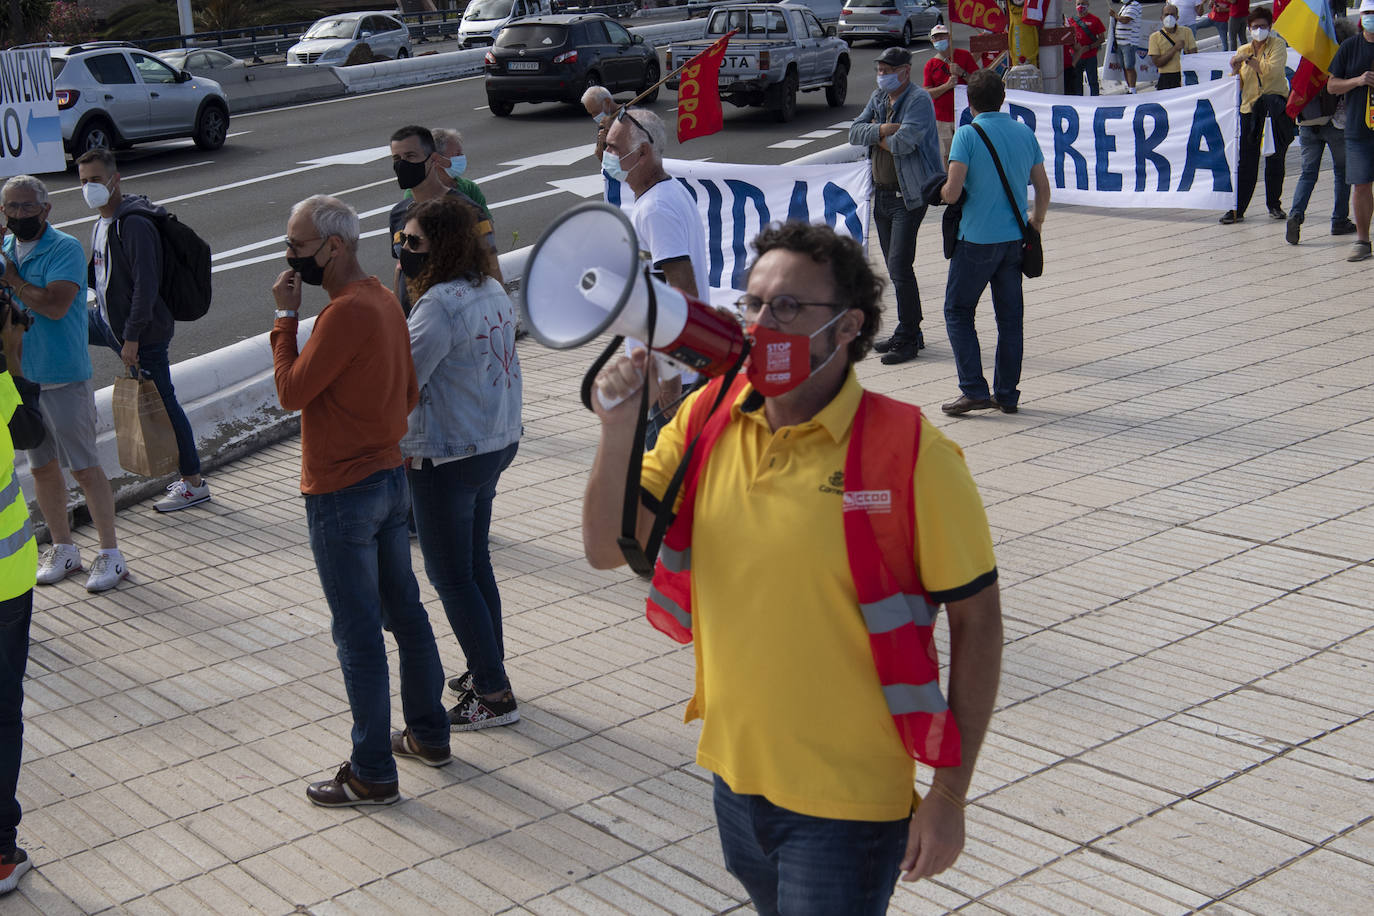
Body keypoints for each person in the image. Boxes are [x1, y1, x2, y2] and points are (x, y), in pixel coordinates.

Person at [582, 220, 1003, 916]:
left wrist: (949, 797)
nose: (759, 325)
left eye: (787, 308)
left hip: (847, 807)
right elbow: (606, 549)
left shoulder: (912, 453)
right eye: (752, 303)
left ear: (847, 328)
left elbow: (979, 623)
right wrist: (618, 424)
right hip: (733, 781)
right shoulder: (705, 418)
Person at [270, 195, 452, 806]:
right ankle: (429, 733)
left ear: (333, 247)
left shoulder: (343, 314)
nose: (291, 259)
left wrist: (284, 319)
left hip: (341, 493)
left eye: (297, 248)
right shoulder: (383, 301)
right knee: (406, 613)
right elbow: (405, 394)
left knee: (358, 636)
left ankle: (372, 769)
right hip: (387, 481)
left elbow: (292, 392)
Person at [396, 196, 524, 732]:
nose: (402, 251)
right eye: (400, 241)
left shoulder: (439, 305)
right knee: (474, 566)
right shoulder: (489, 286)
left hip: (449, 454)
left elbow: (403, 382)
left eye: (414, 242)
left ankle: (493, 694)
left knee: (450, 575)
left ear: (442, 245)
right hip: (493, 442)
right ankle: (486, 670)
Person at [0, 176, 127, 593]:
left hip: (63, 376)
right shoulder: (5, 249)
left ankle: (110, 554)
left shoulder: (65, 248)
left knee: (85, 467)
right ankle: (63, 546)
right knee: (42, 468)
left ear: (46, 209)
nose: (18, 215)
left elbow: (54, 306)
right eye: (10, 207)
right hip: (24, 377)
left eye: (25, 207)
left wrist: (14, 281)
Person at [75, 149, 209, 518]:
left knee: (165, 402)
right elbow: (101, 277)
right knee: (65, 324)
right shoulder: (103, 222)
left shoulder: (132, 224)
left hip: (142, 332)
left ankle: (194, 483)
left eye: (96, 180)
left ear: (115, 180)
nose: (89, 188)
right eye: (84, 181)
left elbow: (146, 287)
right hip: (110, 322)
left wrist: (132, 338)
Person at [940, 70, 1051, 416]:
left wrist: (941, 191)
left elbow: (953, 191)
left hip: (974, 241)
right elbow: (1043, 189)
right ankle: (1006, 394)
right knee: (1010, 320)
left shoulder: (967, 135)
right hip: (1013, 241)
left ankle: (973, 389)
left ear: (970, 102)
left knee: (958, 311)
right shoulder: (1023, 132)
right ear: (1002, 99)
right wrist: (1036, 222)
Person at [602, 107, 708, 431]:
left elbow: (682, 294)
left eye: (614, 148)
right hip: (672, 371)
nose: (607, 155)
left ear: (643, 152)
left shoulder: (655, 208)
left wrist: (671, 378)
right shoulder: (666, 192)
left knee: (661, 478)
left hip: (673, 379)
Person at [849, 46, 943, 366]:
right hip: (883, 195)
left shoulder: (918, 100)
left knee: (901, 267)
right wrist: (883, 130)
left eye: (888, 69)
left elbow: (904, 144)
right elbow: (854, 132)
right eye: (879, 69)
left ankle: (909, 335)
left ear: (905, 70)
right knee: (894, 267)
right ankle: (909, 331)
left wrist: (875, 133)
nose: (882, 74)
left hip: (908, 196)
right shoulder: (878, 97)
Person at [0, 301, 42, 896]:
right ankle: (2, 853)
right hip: (5, 581)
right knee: (3, 712)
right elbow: (32, 431)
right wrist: (10, 355)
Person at [388, 125, 502, 313]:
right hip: (415, 321)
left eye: (410, 156)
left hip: (460, 322)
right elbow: (401, 267)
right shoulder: (399, 214)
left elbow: (491, 269)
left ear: (433, 159)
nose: (402, 165)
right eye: (396, 159)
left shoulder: (468, 211)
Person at [1286, 17, 1359, 245]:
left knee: (1307, 174)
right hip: (1334, 122)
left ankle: (1296, 215)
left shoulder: (1310, 57)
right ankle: (1339, 220)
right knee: (1341, 172)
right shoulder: (1342, 56)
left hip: (1307, 123)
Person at [1220, 6, 1294, 225]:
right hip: (1250, 109)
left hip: (1273, 108)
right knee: (1246, 160)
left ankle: (1274, 204)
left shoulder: (1277, 45)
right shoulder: (1243, 49)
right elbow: (1237, 82)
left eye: (1263, 26)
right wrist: (1234, 67)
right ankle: (1238, 209)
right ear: (1248, 28)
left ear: (1270, 27)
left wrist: (1249, 60)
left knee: (1275, 157)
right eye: (1255, 27)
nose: (1259, 30)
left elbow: (1272, 70)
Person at [1327, 0, 1374, 262]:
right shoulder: (1350, 47)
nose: (1370, 18)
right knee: (1361, 185)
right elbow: (1332, 86)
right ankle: (1363, 240)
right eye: (1367, 13)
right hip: (1358, 128)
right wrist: (1358, 80)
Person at [924, 24, 979, 162]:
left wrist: (962, 73)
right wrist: (947, 86)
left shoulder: (964, 56)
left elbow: (979, 82)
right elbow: (927, 94)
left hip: (965, 114)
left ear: (949, 37)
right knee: (947, 155)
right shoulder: (930, 65)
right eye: (936, 38)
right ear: (932, 41)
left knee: (970, 152)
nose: (939, 40)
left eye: (942, 36)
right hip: (942, 119)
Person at [430, 128, 491, 222]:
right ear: (437, 159)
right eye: (457, 153)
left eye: (461, 153)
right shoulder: (418, 193)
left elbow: (487, 225)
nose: (462, 157)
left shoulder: (469, 188)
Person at [1148, 5, 1198, 91]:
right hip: (1166, 77)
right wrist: (1175, 49)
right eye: (1166, 14)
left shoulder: (1186, 31)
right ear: (1161, 18)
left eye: (1172, 14)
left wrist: (1185, 51)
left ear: (1177, 17)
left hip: (1185, 74)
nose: (1169, 17)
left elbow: (1194, 55)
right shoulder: (1154, 37)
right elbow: (1157, 62)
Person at [1065, 1, 1107, 96]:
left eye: (1083, 4)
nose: (1081, 6)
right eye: (1078, 4)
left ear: (1088, 5)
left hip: (1090, 56)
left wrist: (1089, 47)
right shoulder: (1071, 21)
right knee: (1077, 82)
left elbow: (1101, 39)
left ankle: (1095, 99)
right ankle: (1080, 102)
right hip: (1076, 56)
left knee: (1092, 80)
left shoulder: (1095, 20)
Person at [1110, 0, 1144, 93]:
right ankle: (1129, 87)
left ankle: (1133, 89)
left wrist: (1115, 15)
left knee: (1129, 66)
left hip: (1129, 42)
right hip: (1120, 42)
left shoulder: (1135, 5)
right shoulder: (1125, 6)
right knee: (1124, 66)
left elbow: (1125, 20)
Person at [582, 84, 618, 162]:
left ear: (607, 102)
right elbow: (601, 157)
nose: (594, 117)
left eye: (595, 112)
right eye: (591, 113)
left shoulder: (631, 115)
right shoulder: (604, 122)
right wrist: (602, 143)